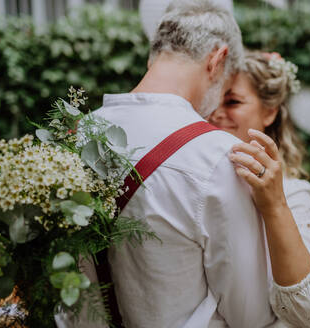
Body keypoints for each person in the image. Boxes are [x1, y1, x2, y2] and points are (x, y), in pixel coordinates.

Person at [89, 2, 278, 327]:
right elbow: (249, 315)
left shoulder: (75, 136)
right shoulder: (219, 155)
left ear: (153, 59)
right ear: (217, 61)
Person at [209, 51, 310, 327]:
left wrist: (273, 205)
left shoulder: (292, 193)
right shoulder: (195, 181)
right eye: (211, 101)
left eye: (232, 101)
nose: (216, 113)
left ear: (270, 111)